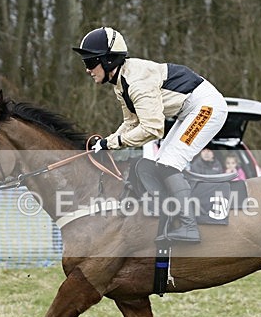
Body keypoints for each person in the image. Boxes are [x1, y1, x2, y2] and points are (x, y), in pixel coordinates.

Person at [73, 26, 228, 243]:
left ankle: (189, 226)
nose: (88, 70)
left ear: (108, 61)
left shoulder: (136, 84)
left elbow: (153, 129)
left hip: (206, 107)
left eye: (90, 63)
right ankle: (170, 216)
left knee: (169, 163)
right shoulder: (121, 82)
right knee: (159, 163)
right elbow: (131, 122)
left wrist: (112, 144)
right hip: (189, 109)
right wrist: (107, 141)